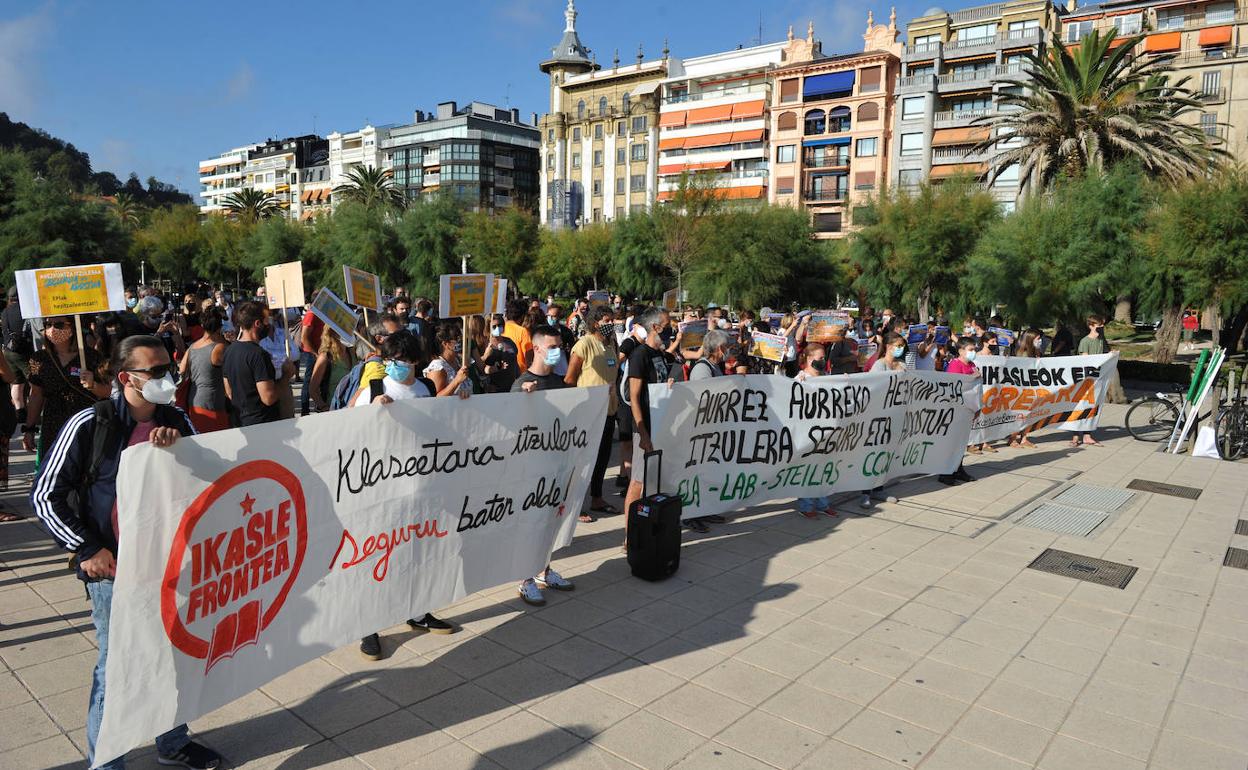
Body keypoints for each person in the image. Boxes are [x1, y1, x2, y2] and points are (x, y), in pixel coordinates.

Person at [31, 335, 223, 770]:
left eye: (167, 369)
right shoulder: (91, 423)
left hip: (171, 563)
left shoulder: (178, 419)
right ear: (126, 377)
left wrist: (183, 453)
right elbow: (44, 496)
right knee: (116, 670)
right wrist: (87, 547)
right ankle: (108, 763)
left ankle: (172, 742)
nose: (165, 378)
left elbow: (210, 479)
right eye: (154, 372)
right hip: (113, 569)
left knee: (172, 657)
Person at [353, 330, 454, 658]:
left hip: (421, 486)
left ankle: (418, 610)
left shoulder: (425, 388)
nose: (392, 366)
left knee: (418, 551)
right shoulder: (375, 388)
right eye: (389, 360)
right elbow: (346, 429)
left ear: (414, 361)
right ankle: (369, 626)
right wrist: (373, 412)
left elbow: (440, 425)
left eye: (399, 361)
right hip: (382, 489)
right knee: (379, 555)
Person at [512, 327, 576, 605]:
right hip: (529, 469)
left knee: (550, 522)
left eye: (559, 346)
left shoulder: (560, 382)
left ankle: (543, 570)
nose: (557, 351)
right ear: (536, 348)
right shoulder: (522, 384)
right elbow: (509, 424)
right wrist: (521, 399)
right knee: (530, 524)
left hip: (555, 465)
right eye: (551, 346)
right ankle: (524, 579)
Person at [24, 316, 112, 466]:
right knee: (55, 469)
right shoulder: (38, 359)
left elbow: (107, 392)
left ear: (73, 327)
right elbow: (36, 395)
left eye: (58, 325)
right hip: (53, 424)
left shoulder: (92, 357)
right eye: (47, 325)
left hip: (84, 422)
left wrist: (92, 385)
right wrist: (29, 428)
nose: (52, 329)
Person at [622, 308, 675, 545]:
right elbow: (635, 396)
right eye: (667, 323)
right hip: (646, 429)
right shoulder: (639, 354)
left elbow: (657, 386)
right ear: (656, 327)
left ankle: (648, 528)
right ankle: (629, 535)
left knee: (653, 480)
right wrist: (642, 432)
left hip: (661, 425)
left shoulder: (660, 354)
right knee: (638, 481)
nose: (670, 327)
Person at [565, 306, 620, 522]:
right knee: (584, 461)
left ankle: (597, 498)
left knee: (602, 458)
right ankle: (575, 506)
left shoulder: (610, 344)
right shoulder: (584, 344)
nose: (611, 324)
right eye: (607, 320)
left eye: (612, 320)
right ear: (596, 323)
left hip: (608, 410)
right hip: (589, 413)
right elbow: (570, 378)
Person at [222, 301, 295, 427]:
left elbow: (229, 392)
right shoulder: (259, 355)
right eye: (267, 321)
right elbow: (268, 397)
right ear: (257, 323)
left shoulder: (229, 351)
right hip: (261, 426)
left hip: (240, 423)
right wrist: (285, 376)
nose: (269, 325)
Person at [794, 344, 838, 519]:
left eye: (823, 358)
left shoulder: (826, 377)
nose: (823, 361)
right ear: (809, 359)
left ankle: (822, 503)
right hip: (807, 433)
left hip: (824, 431)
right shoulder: (800, 379)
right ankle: (805, 505)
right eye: (820, 358)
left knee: (822, 468)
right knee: (807, 469)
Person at [178, 307, 230, 434]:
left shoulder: (192, 347)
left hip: (194, 401)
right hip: (213, 403)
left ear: (202, 325)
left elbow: (182, 370)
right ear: (220, 327)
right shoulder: (221, 347)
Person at [940, 339, 979, 486]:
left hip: (967, 408)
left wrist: (977, 408)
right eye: (970, 349)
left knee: (962, 441)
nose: (973, 352)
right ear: (961, 351)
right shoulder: (955, 365)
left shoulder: (971, 365)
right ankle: (946, 472)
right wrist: (972, 378)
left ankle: (958, 468)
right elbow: (954, 386)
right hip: (955, 408)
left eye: (974, 349)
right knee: (952, 441)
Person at [1073, 315, 1108, 447]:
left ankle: (1087, 436)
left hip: (1096, 379)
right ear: (1091, 326)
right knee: (1079, 406)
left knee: (1091, 407)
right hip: (1085, 380)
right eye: (1099, 324)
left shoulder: (1100, 340)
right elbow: (1085, 360)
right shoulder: (1085, 341)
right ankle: (1075, 436)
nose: (1102, 327)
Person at [3, 286, 32, 427]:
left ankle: (20, 412)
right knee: (34, 381)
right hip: (23, 352)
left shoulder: (4, 312)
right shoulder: (25, 311)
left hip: (7, 351)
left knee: (16, 383)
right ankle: (33, 411)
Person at [1008, 329, 1042, 449]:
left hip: (1031, 387)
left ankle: (1024, 438)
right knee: (1019, 414)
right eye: (1038, 338)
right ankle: (1013, 438)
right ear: (1031, 339)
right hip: (1020, 388)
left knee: (1028, 414)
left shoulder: (1035, 351)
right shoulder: (1021, 353)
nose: (1040, 341)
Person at [308, 330, 355, 413]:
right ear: (333, 333)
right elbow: (312, 389)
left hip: (353, 408)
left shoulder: (353, 354)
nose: (349, 333)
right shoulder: (325, 357)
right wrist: (324, 407)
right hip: (333, 410)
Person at [424, 321, 472, 398]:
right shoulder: (437, 367)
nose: (461, 341)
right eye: (457, 338)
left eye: (461, 337)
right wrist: (456, 381)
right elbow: (436, 398)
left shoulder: (458, 361)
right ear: (445, 344)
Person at [299, 307, 325, 416]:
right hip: (312, 354)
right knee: (309, 382)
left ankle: (321, 407)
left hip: (320, 353)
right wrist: (315, 354)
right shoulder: (312, 314)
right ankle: (305, 411)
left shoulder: (321, 312)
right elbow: (304, 338)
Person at [502, 299, 534, 369]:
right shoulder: (523, 331)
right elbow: (528, 359)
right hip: (520, 374)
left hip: (503, 371)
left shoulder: (501, 327)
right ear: (523, 316)